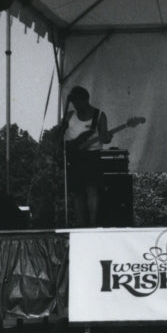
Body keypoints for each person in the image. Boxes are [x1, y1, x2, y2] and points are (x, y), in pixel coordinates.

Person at [60, 86, 112, 227]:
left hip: (91, 156)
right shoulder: (70, 115)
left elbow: (105, 138)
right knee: (77, 192)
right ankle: (80, 224)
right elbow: (59, 133)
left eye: (78, 102)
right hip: (74, 157)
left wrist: (107, 137)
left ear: (86, 100)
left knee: (91, 189)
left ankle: (93, 223)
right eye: (74, 102)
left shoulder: (99, 115)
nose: (76, 105)